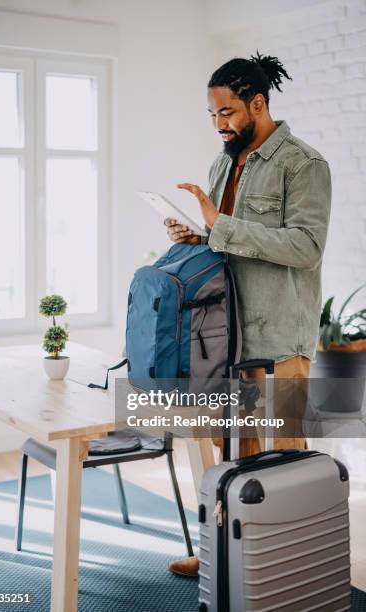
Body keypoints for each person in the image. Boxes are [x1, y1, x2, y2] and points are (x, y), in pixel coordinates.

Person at [165, 52, 331, 577]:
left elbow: (306, 247)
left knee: (285, 455)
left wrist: (223, 227)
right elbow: (225, 238)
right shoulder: (224, 162)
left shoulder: (304, 165)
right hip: (230, 331)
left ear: (258, 103)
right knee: (234, 447)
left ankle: (293, 565)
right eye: (212, 115)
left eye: (228, 112)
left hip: (281, 333)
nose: (220, 124)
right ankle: (224, 552)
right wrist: (197, 233)